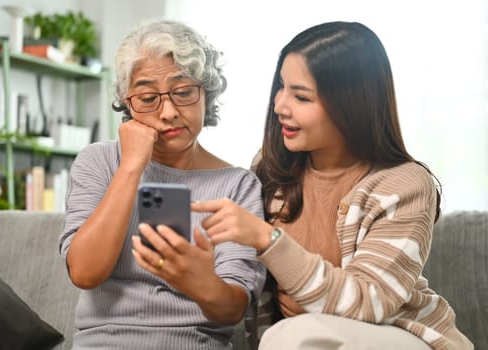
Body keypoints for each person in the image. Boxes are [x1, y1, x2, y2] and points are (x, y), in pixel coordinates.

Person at [191, 21, 473, 350]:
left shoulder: (405, 184)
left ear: (350, 104)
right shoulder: (272, 169)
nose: (280, 106)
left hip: (399, 337)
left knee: (294, 335)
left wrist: (268, 239)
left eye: (301, 96)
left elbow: (369, 303)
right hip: (306, 341)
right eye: (281, 88)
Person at [58, 19, 265, 350]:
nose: (168, 111)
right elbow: (84, 273)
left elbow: (233, 310)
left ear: (206, 93)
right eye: (148, 97)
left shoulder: (237, 185)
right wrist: (130, 168)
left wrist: (202, 282)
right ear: (127, 103)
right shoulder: (98, 162)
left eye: (183, 92)